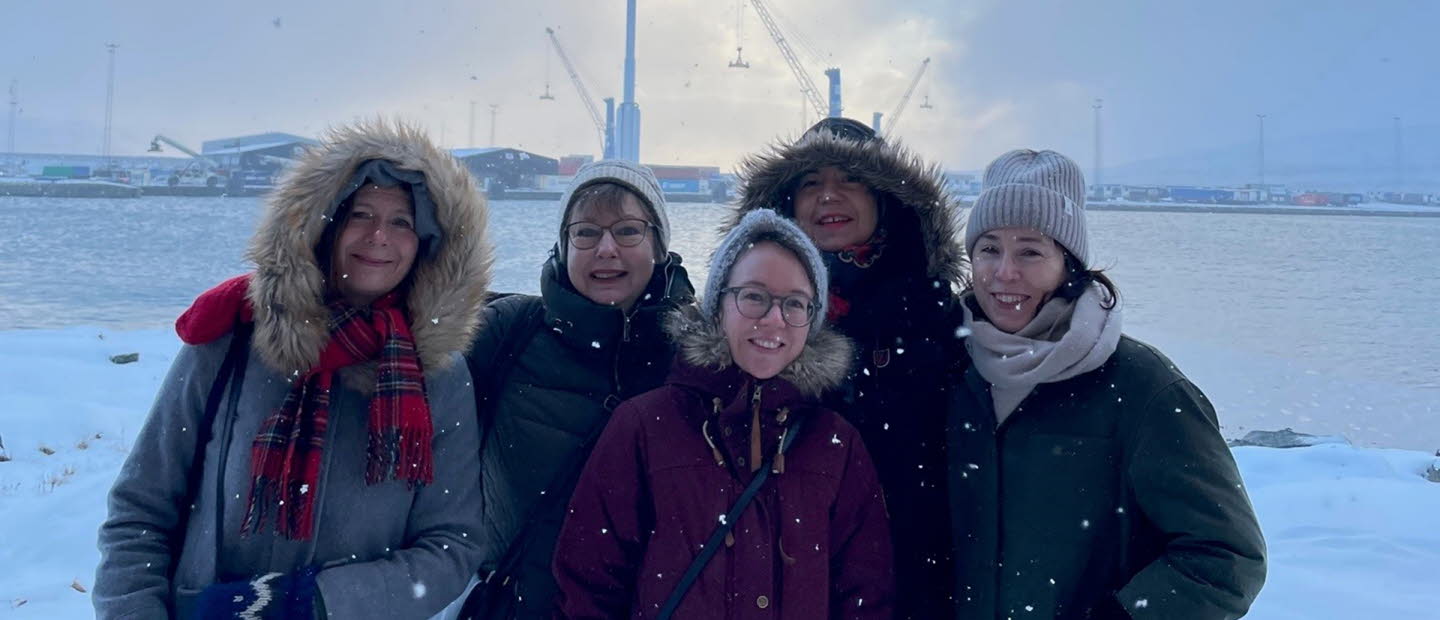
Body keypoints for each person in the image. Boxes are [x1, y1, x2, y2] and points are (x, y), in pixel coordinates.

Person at [93, 120, 492, 619]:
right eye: (360, 214)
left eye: (402, 222)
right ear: (324, 226)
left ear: (427, 246)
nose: (377, 236)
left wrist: (317, 603)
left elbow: (451, 546)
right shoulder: (233, 339)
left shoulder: (437, 375)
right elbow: (140, 509)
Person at [947, 149, 1267, 619]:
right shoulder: (944, 370)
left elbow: (1226, 555)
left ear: (1068, 264)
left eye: (1030, 251)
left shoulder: (1143, 386)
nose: (1004, 272)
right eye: (989, 248)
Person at [553, 209, 893, 619]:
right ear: (717, 306)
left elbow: (866, 596)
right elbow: (588, 583)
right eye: (753, 296)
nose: (773, 319)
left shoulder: (836, 443)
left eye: (795, 304)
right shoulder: (643, 427)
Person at [730, 116, 966, 616]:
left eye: (850, 180)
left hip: (910, 580)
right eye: (811, 183)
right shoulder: (747, 316)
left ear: (885, 197)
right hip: (775, 580)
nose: (829, 196)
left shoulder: (936, 317)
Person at [459, 160, 696, 619]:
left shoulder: (698, 357)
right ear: (563, 246)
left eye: (628, 231)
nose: (606, 248)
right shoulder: (509, 332)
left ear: (660, 247)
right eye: (586, 232)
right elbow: (416, 356)